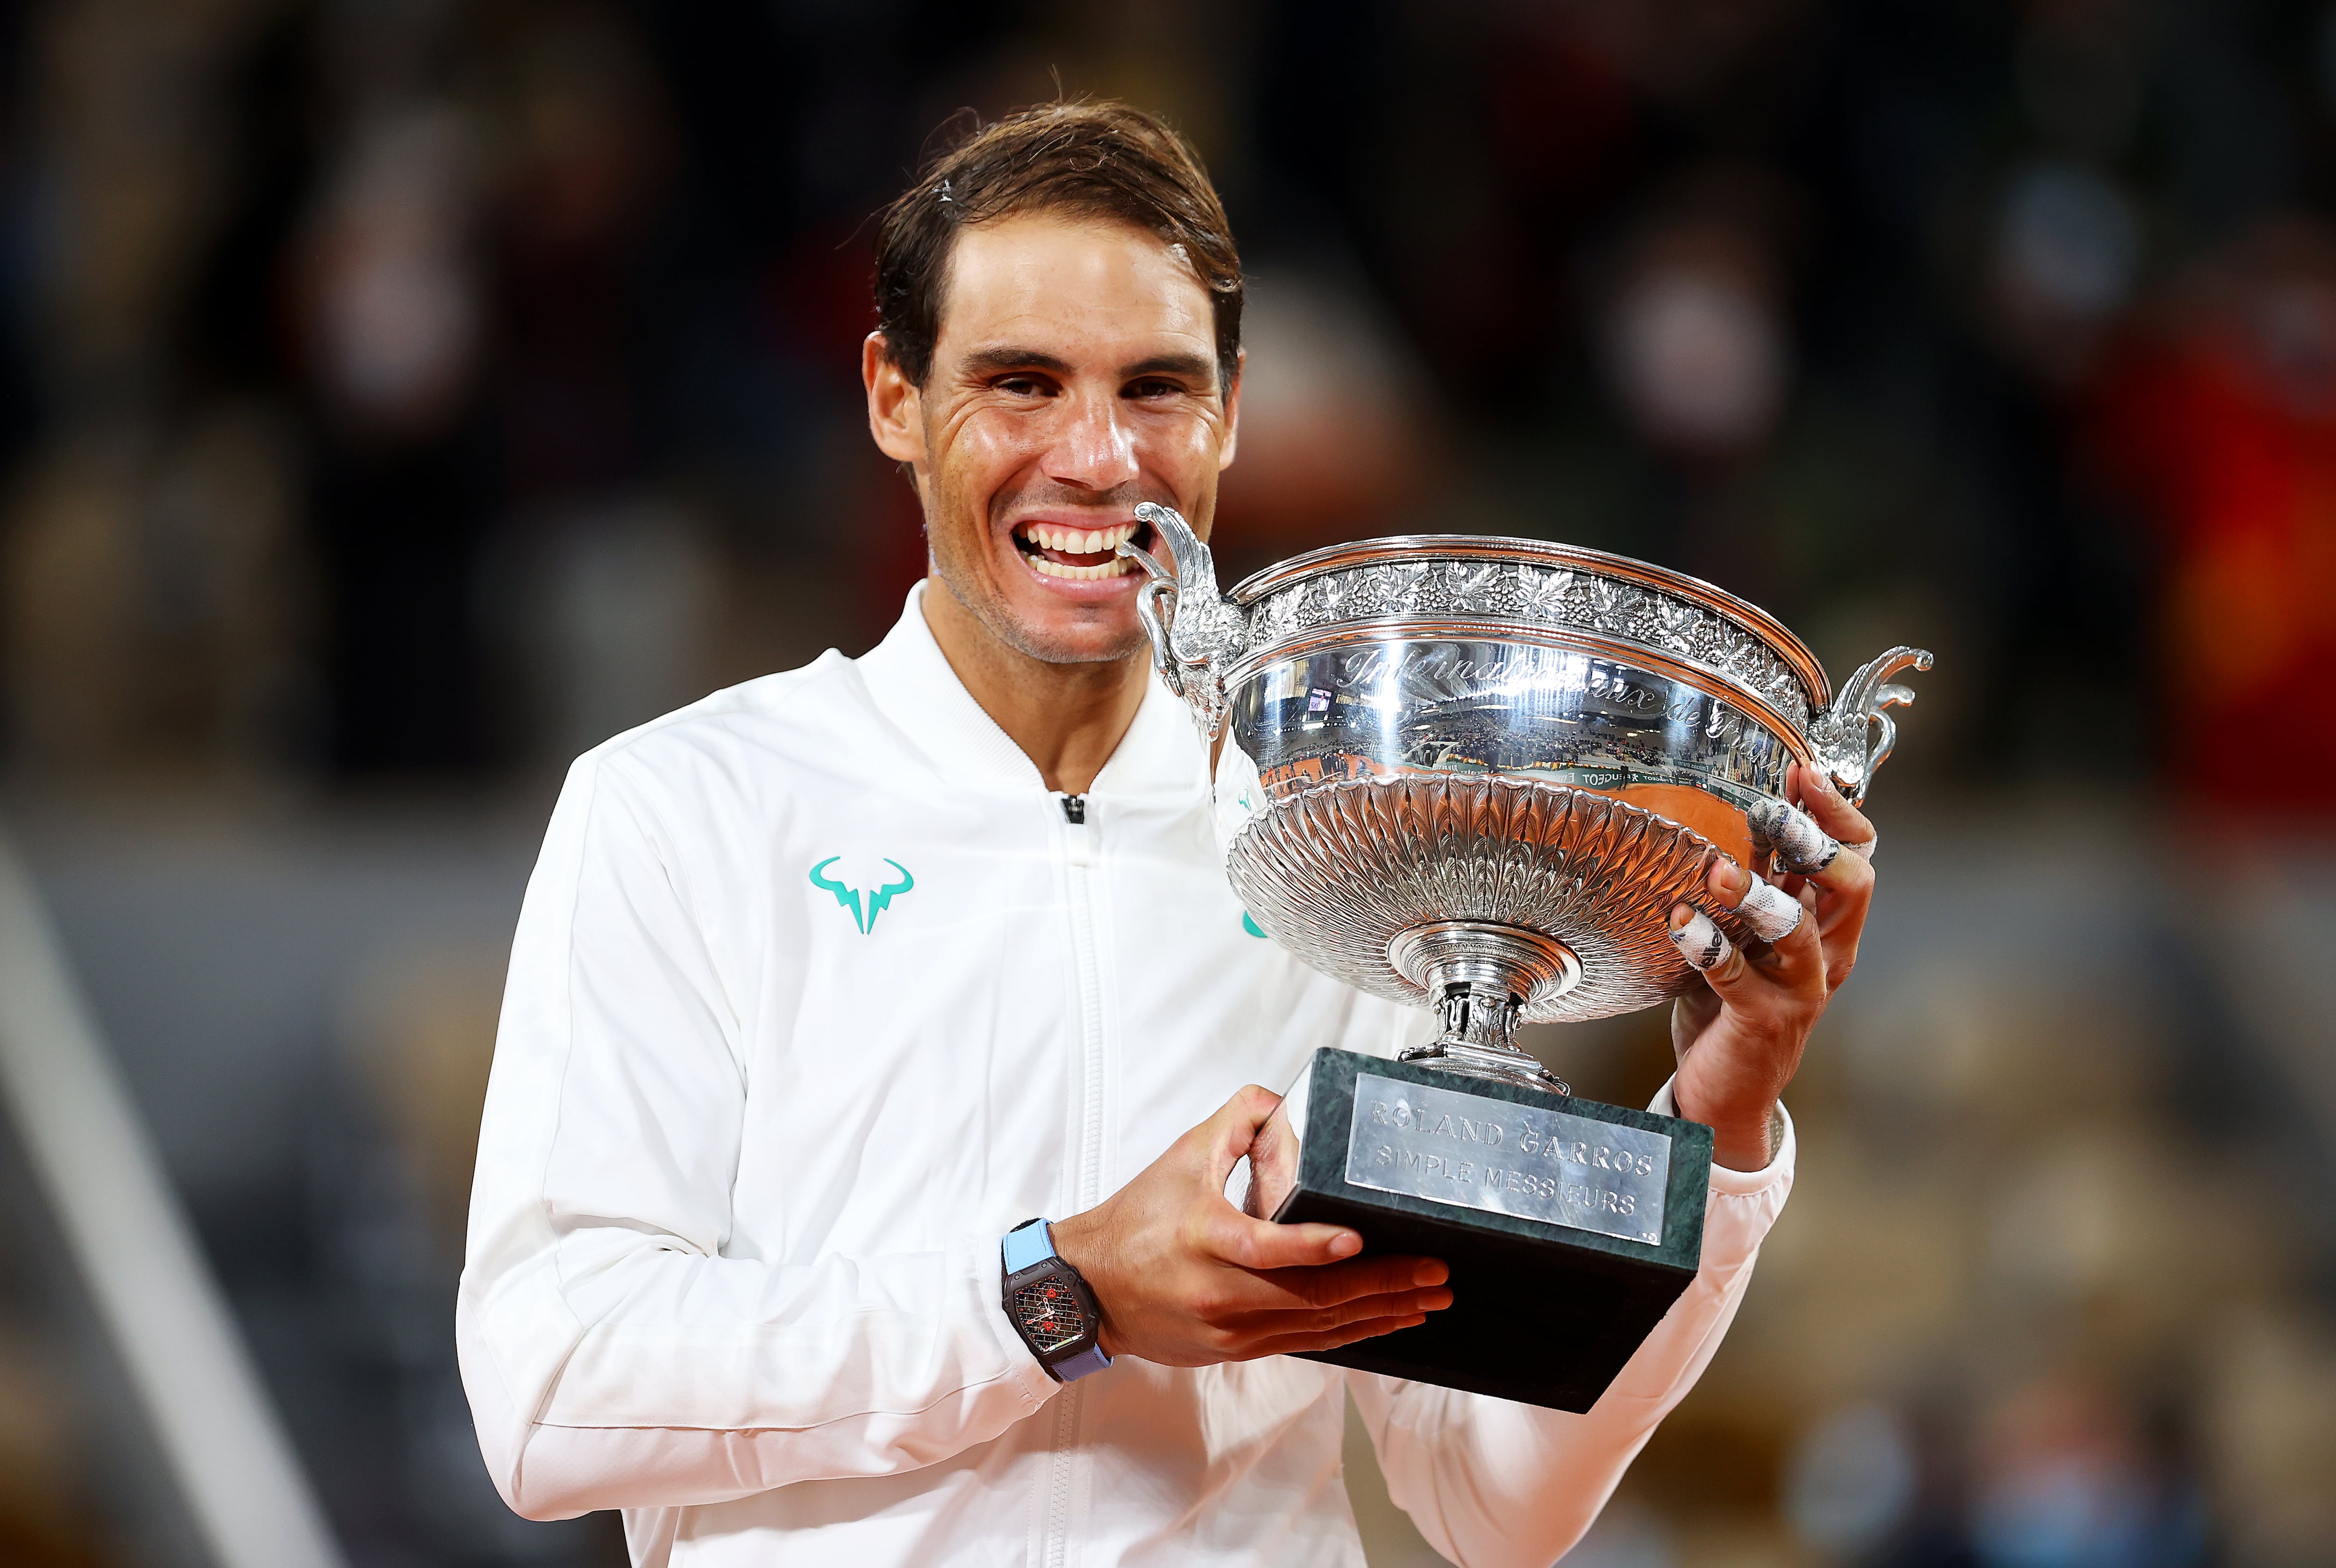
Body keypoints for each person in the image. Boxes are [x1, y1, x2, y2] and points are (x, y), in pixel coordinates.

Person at [457, 100, 1881, 1568]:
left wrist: (1717, 1122)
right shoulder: (689, 808)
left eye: (1156, 389)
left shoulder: (1347, 845)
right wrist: (1056, 1296)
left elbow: (1491, 1498)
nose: (1097, 458)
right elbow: (552, 1388)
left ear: (1232, 412)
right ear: (893, 395)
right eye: (1020, 384)